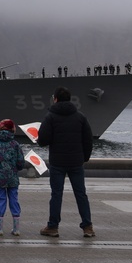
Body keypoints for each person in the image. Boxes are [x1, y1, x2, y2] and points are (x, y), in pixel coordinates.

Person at [37, 86, 94, 238]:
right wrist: (84, 158)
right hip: (76, 162)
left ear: (55, 99)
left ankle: (53, 227)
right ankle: (87, 227)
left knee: (56, 194)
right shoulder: (80, 117)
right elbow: (88, 139)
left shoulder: (50, 117)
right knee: (81, 194)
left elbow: (43, 139)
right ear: (70, 99)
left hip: (57, 162)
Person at [0, 119, 24, 236]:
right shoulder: (15, 144)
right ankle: (16, 229)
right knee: (14, 200)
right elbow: (21, 161)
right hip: (13, 177)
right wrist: (16, 169)